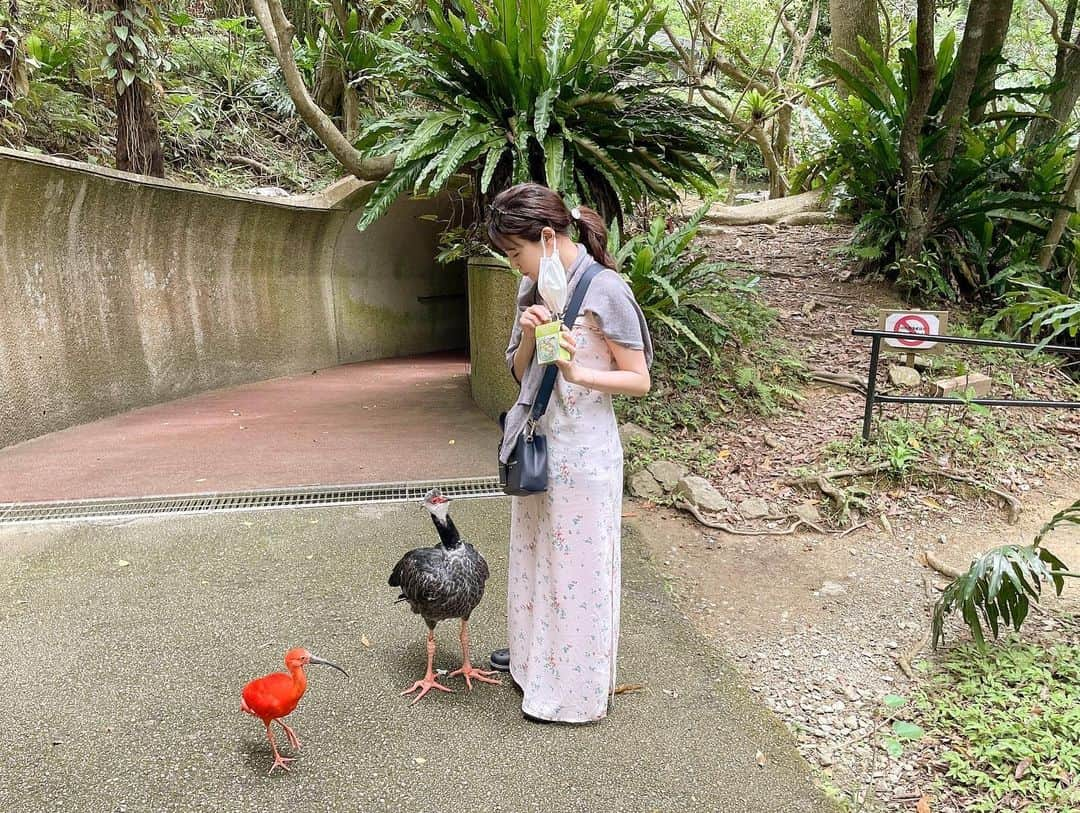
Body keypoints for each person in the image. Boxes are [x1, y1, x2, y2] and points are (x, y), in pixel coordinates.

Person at [486, 182, 653, 723]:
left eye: (517, 253)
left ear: (548, 237)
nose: (516, 267)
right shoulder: (531, 288)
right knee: (536, 557)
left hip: (586, 451)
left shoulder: (607, 290)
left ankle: (573, 691)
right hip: (539, 443)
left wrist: (579, 371)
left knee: (578, 569)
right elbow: (516, 373)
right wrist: (533, 336)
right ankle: (535, 665)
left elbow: (639, 379)